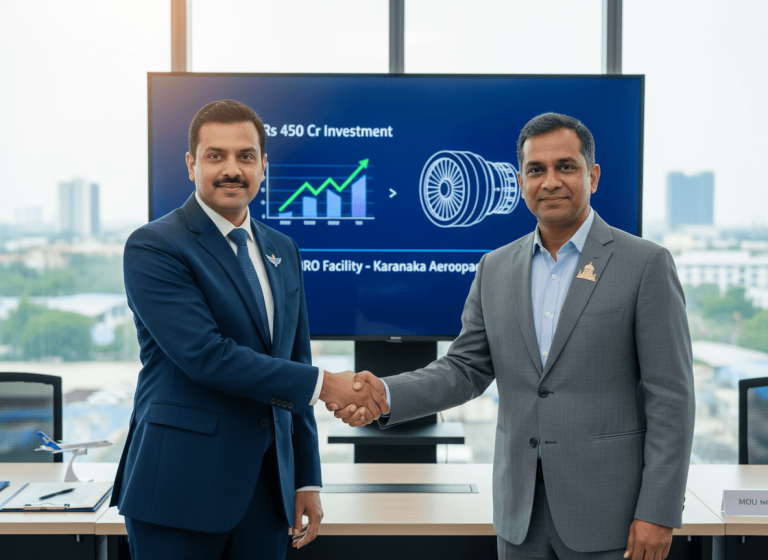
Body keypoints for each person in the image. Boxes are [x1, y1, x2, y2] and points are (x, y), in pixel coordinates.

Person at [331, 113, 695, 560]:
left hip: (610, 518)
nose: (551, 182)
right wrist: (384, 393)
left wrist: (658, 511)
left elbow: (672, 399)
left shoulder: (645, 264)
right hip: (519, 517)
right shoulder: (495, 268)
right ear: (521, 180)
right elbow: (464, 370)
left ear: (593, 176)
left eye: (566, 167)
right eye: (536, 170)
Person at [111, 99, 387, 560]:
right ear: (191, 164)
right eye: (215, 156)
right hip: (180, 487)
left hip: (266, 493)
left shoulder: (283, 249)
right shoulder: (155, 246)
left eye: (245, 156)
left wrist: (305, 478)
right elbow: (206, 356)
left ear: (263, 166)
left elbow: (293, 362)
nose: (231, 170)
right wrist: (327, 386)